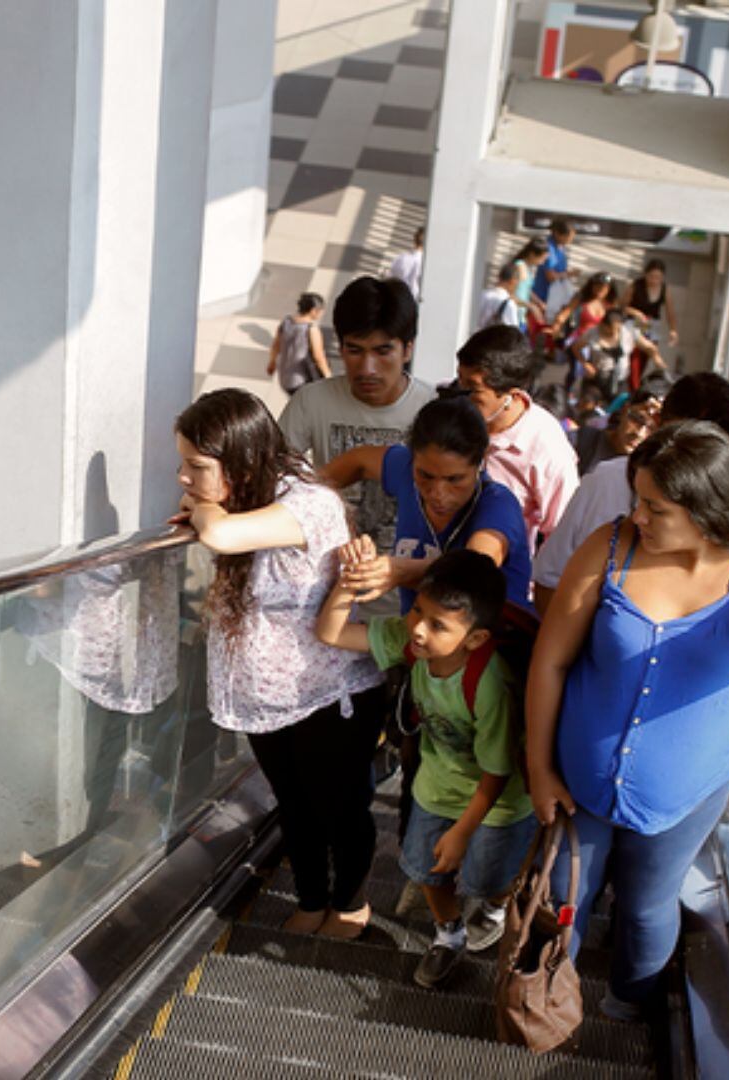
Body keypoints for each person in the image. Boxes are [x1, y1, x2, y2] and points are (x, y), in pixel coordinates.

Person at [526, 422, 729, 1021]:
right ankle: (544, 1006)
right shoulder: (611, 544)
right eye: (637, 501)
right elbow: (550, 661)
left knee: (647, 907)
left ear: (708, 510)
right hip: (579, 782)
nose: (639, 516)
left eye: (656, 507)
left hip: (684, 796)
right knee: (561, 895)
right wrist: (539, 768)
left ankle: (629, 1004)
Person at [175, 389, 386, 939]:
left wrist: (202, 509)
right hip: (268, 699)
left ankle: (350, 903)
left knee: (339, 810)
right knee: (294, 807)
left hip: (328, 694)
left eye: (197, 467)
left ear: (240, 460)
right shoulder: (247, 499)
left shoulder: (307, 502)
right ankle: (313, 899)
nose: (184, 478)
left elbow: (217, 533)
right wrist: (208, 502)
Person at [316, 549, 536, 985]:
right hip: (436, 789)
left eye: (438, 625)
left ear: (475, 638)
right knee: (426, 869)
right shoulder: (410, 640)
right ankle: (448, 934)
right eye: (417, 609)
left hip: (498, 804)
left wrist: (461, 832)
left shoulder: (488, 685)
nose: (417, 627)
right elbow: (331, 632)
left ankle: (496, 903)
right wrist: (349, 581)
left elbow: (497, 771)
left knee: (487, 877)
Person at [534, 373, 729, 616]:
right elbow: (550, 585)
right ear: (658, 423)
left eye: (706, 452)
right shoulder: (607, 493)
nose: (688, 468)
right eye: (647, 504)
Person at [278, 276, 439, 611]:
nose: (367, 368)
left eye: (383, 352)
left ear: (408, 348)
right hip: (321, 604)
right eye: (354, 350)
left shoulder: (434, 412)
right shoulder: (311, 402)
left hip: (406, 613)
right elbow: (273, 484)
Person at [321, 394, 534, 613]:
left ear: (481, 463)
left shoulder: (499, 506)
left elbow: (474, 569)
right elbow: (357, 461)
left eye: (455, 480)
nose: (438, 493)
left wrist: (402, 570)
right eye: (425, 476)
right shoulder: (404, 468)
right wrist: (305, 502)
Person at [452, 326, 579, 548]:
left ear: (513, 396)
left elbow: (562, 534)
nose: (461, 396)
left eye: (473, 389)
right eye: (459, 381)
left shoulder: (546, 447)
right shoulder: (449, 412)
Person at [570, 309, 661, 405]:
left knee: (619, 409)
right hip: (597, 380)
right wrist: (585, 364)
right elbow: (576, 347)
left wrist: (656, 358)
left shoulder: (627, 333)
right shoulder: (592, 333)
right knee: (588, 405)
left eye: (618, 329)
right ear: (604, 325)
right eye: (612, 330)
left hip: (619, 382)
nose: (615, 332)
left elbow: (649, 347)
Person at [576, 389, 659, 475]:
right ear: (624, 410)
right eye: (637, 419)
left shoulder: (644, 473)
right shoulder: (582, 440)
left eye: (651, 428)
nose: (639, 434)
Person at [268, 292, 331, 394]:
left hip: (285, 378)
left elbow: (276, 345)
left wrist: (272, 363)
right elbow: (319, 356)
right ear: (313, 311)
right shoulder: (311, 329)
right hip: (301, 379)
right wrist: (328, 376)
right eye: (321, 310)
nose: (322, 313)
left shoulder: (286, 322)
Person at [623, 257, 680, 350]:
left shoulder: (664, 290)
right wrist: (636, 313)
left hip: (651, 324)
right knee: (633, 353)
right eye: (651, 276)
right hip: (634, 321)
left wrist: (673, 330)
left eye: (658, 278)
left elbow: (670, 312)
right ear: (645, 274)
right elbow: (622, 306)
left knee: (648, 351)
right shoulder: (636, 285)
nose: (654, 281)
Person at [539, 219, 577, 323]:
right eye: (568, 237)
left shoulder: (561, 247)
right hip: (544, 295)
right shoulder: (549, 247)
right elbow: (550, 276)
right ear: (557, 234)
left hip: (558, 296)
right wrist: (569, 274)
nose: (570, 240)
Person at [475, 261, 524, 333]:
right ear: (513, 281)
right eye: (518, 284)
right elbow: (512, 335)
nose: (517, 287)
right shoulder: (508, 304)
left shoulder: (481, 294)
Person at [389, 226, 425, 301]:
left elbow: (390, 279)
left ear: (414, 239)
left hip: (397, 300)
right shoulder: (425, 263)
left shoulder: (401, 258)